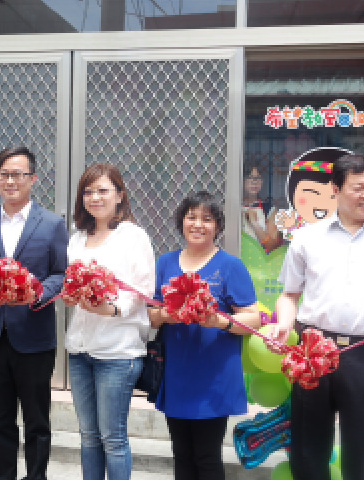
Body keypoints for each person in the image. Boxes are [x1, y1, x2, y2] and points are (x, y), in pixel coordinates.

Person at [267, 153, 364, 480]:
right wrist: (283, 324)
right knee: (307, 452)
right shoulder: (307, 237)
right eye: (359, 188)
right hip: (312, 351)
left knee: (363, 451)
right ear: (335, 189)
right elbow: (289, 294)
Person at [0, 146, 68, 480]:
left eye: (18, 174)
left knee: (37, 421)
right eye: (4, 174)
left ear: (33, 178)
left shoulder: (52, 224)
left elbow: (60, 274)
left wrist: (37, 293)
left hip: (34, 336)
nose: (10, 181)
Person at [147, 191, 261, 480]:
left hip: (214, 376)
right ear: (181, 222)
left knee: (207, 456)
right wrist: (166, 315)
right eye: (192, 217)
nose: (198, 224)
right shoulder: (165, 263)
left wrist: (218, 320)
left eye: (207, 219)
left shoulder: (230, 265)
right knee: (181, 454)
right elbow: (151, 314)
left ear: (217, 226)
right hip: (177, 372)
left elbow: (254, 318)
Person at [62, 163, 155, 480]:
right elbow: (71, 282)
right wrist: (71, 295)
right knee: (88, 436)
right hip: (79, 349)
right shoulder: (78, 238)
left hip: (117, 351)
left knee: (112, 438)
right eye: (88, 192)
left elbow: (144, 288)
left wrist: (113, 309)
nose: (95, 197)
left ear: (120, 195)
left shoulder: (133, 236)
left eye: (103, 190)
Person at [242, 162, 282, 254]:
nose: (254, 182)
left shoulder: (270, 210)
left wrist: (254, 223)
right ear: (241, 180)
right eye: (249, 177)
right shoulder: (232, 207)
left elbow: (272, 246)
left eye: (257, 178)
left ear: (262, 182)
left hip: (259, 260)